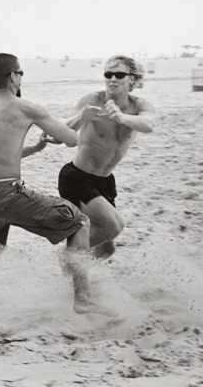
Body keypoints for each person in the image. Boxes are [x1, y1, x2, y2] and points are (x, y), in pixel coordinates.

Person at [0, 53, 112, 315]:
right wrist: (84, 117)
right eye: (20, 73)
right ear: (12, 76)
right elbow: (70, 139)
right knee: (80, 222)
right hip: (4, 193)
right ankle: (83, 299)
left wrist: (33, 148)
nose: (21, 78)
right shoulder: (24, 107)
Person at [56, 55, 154, 258]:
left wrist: (120, 117)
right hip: (77, 177)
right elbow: (62, 132)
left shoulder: (139, 106)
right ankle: (69, 258)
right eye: (108, 74)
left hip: (105, 181)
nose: (113, 79)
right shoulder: (93, 100)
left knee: (106, 249)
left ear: (133, 80)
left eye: (119, 74)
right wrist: (81, 117)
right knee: (114, 225)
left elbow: (148, 125)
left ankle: (85, 275)